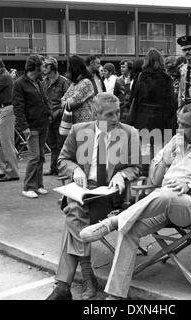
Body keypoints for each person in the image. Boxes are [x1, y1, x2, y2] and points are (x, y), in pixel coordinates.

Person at [79, 101, 191, 300]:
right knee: (130, 230)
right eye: (178, 124)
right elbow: (155, 179)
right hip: (161, 202)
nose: (179, 129)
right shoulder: (178, 140)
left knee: (165, 194)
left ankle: (112, 222)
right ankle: (115, 296)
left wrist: (188, 186)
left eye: (185, 126)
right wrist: (165, 158)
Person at [46, 93, 141, 300]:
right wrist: (75, 170)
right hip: (83, 191)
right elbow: (62, 160)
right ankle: (78, 281)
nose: (116, 117)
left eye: (118, 112)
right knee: (75, 207)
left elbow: (137, 166)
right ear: (95, 114)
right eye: (109, 114)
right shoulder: (79, 131)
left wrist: (121, 173)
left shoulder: (129, 133)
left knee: (73, 214)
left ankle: (67, 285)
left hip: (110, 197)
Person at [13, 55, 51, 199]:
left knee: (40, 156)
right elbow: (18, 106)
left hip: (42, 123)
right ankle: (28, 187)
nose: (45, 68)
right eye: (42, 65)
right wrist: (24, 126)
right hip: (31, 125)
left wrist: (49, 114)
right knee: (35, 156)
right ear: (35, 67)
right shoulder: (19, 83)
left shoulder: (38, 82)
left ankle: (38, 185)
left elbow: (44, 100)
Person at [128, 48, 176, 138]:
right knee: (159, 149)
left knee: (142, 149)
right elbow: (172, 103)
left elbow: (132, 99)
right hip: (161, 120)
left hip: (141, 119)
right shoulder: (166, 78)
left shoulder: (140, 77)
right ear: (161, 60)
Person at [42, 56, 71, 176]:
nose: (43, 68)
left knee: (61, 144)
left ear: (52, 67)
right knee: (52, 145)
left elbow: (68, 100)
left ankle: (62, 168)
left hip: (59, 117)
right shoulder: (44, 82)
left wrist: (57, 113)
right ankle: (54, 168)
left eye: (46, 65)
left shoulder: (64, 81)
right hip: (48, 117)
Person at [59, 55, 95, 135]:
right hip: (74, 124)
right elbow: (63, 99)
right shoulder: (74, 83)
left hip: (85, 125)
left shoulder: (86, 82)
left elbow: (73, 102)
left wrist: (65, 102)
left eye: (69, 68)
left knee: (84, 147)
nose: (67, 71)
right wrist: (66, 102)